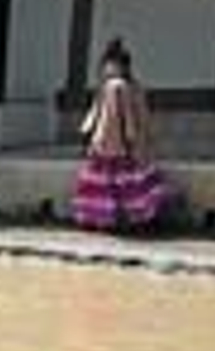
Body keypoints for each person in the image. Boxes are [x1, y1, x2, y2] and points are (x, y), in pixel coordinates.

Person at [73, 39, 173, 232]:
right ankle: (137, 219)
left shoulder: (114, 86)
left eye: (108, 64)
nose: (105, 68)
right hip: (120, 142)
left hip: (112, 142)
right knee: (129, 184)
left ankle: (106, 219)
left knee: (108, 185)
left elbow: (112, 116)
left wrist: (125, 137)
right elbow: (137, 115)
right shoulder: (128, 85)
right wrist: (138, 139)